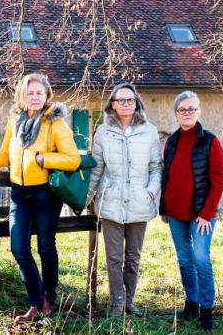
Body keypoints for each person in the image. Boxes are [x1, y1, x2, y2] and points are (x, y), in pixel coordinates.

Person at [0, 73, 80, 323]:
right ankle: (36, 301)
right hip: (19, 193)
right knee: (18, 248)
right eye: (30, 93)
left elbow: (73, 159)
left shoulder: (55, 122)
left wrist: (45, 159)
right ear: (22, 95)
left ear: (47, 95)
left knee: (45, 247)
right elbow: (5, 153)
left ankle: (49, 298)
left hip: (45, 195)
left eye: (40, 93)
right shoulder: (15, 121)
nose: (35, 97)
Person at [87, 83, 162, 316]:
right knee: (114, 257)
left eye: (130, 100)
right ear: (113, 104)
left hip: (140, 201)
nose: (126, 104)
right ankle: (117, 303)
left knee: (133, 257)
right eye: (121, 100)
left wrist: (150, 191)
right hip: (111, 203)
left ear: (136, 102)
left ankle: (129, 301)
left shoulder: (149, 131)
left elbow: (156, 167)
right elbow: (97, 168)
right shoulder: (102, 131)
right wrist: (87, 197)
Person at [159, 91, 223, 333]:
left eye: (191, 109)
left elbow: (217, 180)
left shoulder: (210, 141)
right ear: (176, 113)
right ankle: (192, 302)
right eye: (182, 109)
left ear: (199, 111)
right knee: (185, 261)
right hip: (175, 213)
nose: (187, 113)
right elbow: (166, 177)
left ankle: (207, 309)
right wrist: (163, 209)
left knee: (200, 258)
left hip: (201, 214)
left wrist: (207, 213)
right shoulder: (172, 142)